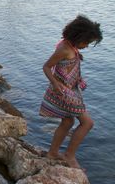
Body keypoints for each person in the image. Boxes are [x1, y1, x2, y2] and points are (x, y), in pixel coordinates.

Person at [40, 15, 102, 170]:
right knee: (87, 123)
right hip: (64, 92)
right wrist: (54, 83)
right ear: (77, 36)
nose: (87, 46)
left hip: (70, 90)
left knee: (68, 121)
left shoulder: (70, 45)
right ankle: (69, 155)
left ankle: (53, 153)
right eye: (86, 42)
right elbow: (47, 67)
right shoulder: (64, 49)